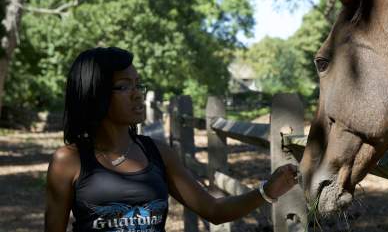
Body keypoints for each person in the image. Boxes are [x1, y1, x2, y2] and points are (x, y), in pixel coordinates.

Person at [45, 46, 299, 231]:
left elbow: (214, 211)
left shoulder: (158, 154)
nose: (137, 94)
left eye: (138, 84)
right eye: (124, 86)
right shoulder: (68, 161)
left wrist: (266, 191)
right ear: (95, 94)